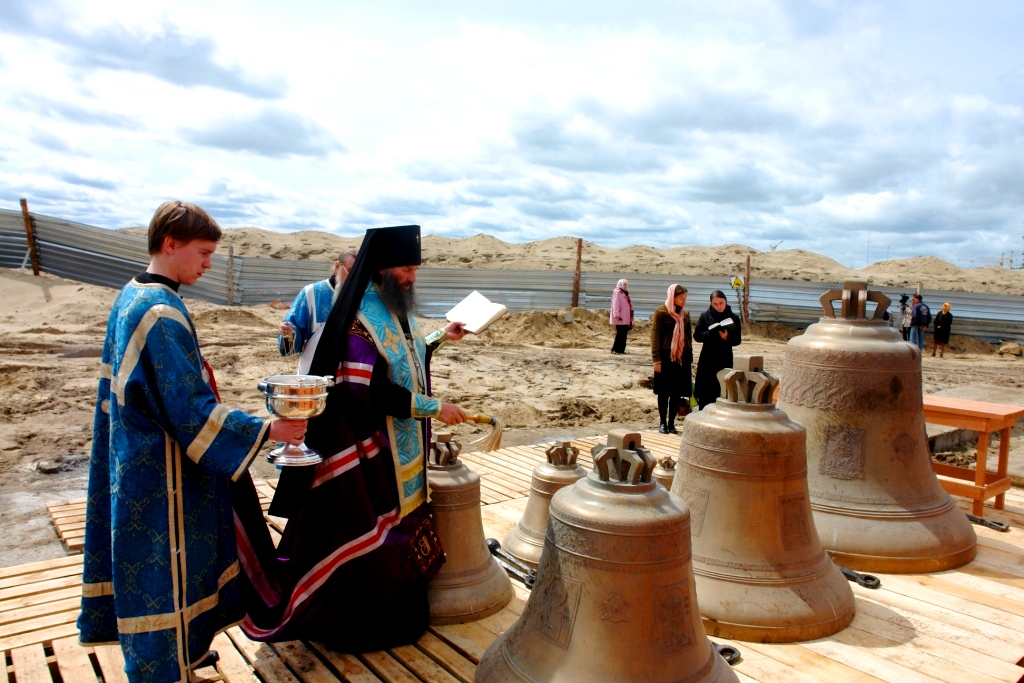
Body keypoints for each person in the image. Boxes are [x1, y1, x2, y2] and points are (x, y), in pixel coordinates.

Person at [77, 201, 308, 683]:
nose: (208, 264)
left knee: (160, 570)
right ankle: (165, 673)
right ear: (170, 244)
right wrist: (267, 430)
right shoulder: (160, 313)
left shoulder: (133, 294)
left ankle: (183, 662)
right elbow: (189, 409)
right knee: (167, 574)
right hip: (164, 474)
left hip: (136, 459)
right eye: (203, 253)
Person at [242, 224, 469, 651]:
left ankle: (402, 609)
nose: (412, 278)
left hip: (403, 442)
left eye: (415, 270)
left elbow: (406, 356)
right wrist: (434, 408)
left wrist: (441, 336)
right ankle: (361, 621)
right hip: (369, 446)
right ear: (382, 268)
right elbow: (371, 391)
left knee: (400, 526)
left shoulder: (394, 305)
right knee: (373, 530)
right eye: (406, 269)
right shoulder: (358, 319)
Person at [279, 248, 358, 373]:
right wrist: (289, 332)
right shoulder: (311, 293)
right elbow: (294, 329)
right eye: (351, 271)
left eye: (360, 272)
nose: (355, 277)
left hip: (352, 372)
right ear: (337, 266)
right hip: (314, 371)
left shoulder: (365, 297)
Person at [651, 284, 692, 434]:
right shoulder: (661, 312)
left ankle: (672, 423)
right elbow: (655, 336)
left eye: (685, 298)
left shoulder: (685, 314)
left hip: (681, 358)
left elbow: (688, 336)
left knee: (676, 392)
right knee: (664, 392)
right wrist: (656, 360)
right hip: (665, 357)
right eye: (681, 298)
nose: (684, 301)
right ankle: (662, 422)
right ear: (672, 297)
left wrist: (689, 357)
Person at [693, 289, 742, 410]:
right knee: (706, 391)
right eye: (715, 304)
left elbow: (737, 340)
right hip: (707, 359)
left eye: (721, 303)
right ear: (711, 304)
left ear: (726, 301)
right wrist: (711, 334)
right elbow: (697, 336)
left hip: (724, 358)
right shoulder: (705, 316)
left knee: (722, 389)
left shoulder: (734, 318)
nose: (719, 306)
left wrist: (727, 337)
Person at [610, 278, 633, 354]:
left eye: (626, 284)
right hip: (620, 317)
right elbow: (615, 303)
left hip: (625, 317)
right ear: (620, 285)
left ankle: (621, 350)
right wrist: (616, 314)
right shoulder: (617, 292)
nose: (626, 286)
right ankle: (615, 349)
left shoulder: (625, 293)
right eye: (624, 284)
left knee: (624, 334)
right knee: (620, 333)